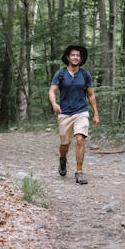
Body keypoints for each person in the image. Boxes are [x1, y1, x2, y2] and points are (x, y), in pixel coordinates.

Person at [48, 45, 100, 185]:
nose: (75, 57)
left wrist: (95, 113)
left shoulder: (84, 75)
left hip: (81, 112)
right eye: (73, 55)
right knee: (65, 144)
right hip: (64, 113)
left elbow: (91, 94)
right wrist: (54, 104)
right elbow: (52, 91)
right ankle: (63, 159)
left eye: (78, 55)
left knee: (79, 139)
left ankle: (79, 172)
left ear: (81, 58)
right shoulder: (60, 74)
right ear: (68, 57)